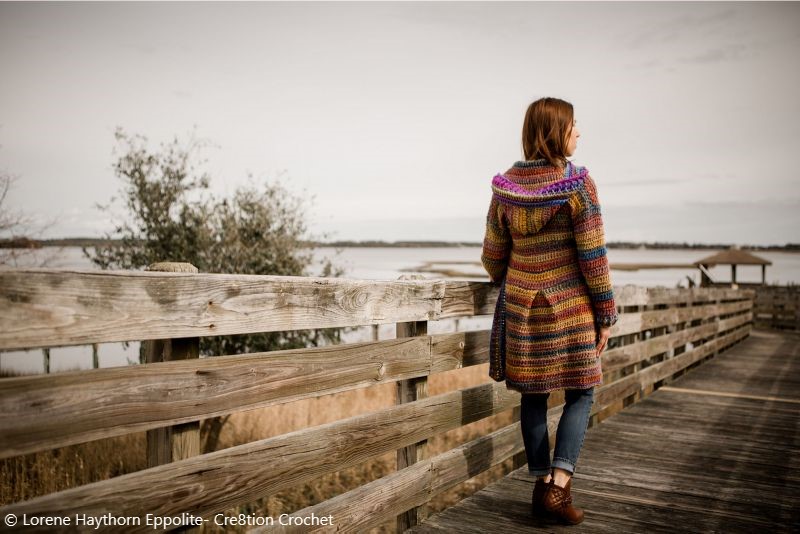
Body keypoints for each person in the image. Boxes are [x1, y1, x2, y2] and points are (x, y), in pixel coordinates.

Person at [481, 97, 617, 525]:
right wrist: (607, 315)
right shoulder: (579, 186)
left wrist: (518, 268)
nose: (580, 132)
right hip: (572, 312)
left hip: (522, 311)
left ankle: (542, 486)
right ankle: (558, 486)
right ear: (557, 131)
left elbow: (491, 258)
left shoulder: (505, 189)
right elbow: (594, 260)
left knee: (534, 396)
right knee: (582, 391)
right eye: (574, 124)